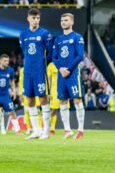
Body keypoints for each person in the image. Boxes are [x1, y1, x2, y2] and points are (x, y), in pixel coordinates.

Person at [19, 8, 54, 140]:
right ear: (28, 18)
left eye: (38, 18)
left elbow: (50, 52)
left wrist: (42, 63)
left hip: (40, 71)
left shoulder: (45, 33)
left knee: (43, 99)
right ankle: (36, 130)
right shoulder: (23, 35)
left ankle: (46, 131)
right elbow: (25, 52)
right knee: (29, 100)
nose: (36, 20)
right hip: (28, 71)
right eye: (33, 18)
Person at [53, 12, 86, 139]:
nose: (63, 22)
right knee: (62, 101)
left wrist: (69, 69)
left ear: (72, 22)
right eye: (62, 20)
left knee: (77, 99)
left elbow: (80, 55)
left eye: (66, 20)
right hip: (61, 74)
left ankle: (80, 130)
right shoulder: (58, 39)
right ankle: (67, 130)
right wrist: (60, 68)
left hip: (73, 74)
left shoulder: (77, 37)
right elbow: (54, 57)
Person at [46, 60, 60, 134]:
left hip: (63, 88)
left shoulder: (65, 62)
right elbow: (49, 79)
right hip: (54, 90)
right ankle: (50, 127)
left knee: (65, 108)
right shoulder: (51, 65)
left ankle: (67, 129)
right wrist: (48, 92)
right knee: (54, 109)